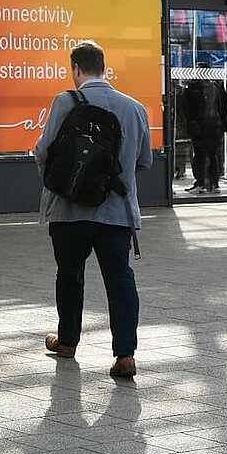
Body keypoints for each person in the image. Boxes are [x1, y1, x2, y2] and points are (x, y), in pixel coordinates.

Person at [34, 40, 152, 379]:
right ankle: (125, 355)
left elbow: (44, 152)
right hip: (115, 213)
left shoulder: (65, 102)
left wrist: (65, 182)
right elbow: (143, 162)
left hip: (69, 212)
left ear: (76, 69)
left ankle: (68, 341)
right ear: (104, 66)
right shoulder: (133, 108)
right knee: (119, 279)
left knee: (69, 275)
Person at [183, 63, 227, 194]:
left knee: (200, 155)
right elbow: (223, 106)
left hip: (201, 126)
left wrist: (190, 124)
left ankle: (201, 183)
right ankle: (214, 183)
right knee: (213, 155)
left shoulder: (193, 86)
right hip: (215, 126)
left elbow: (188, 108)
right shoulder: (217, 86)